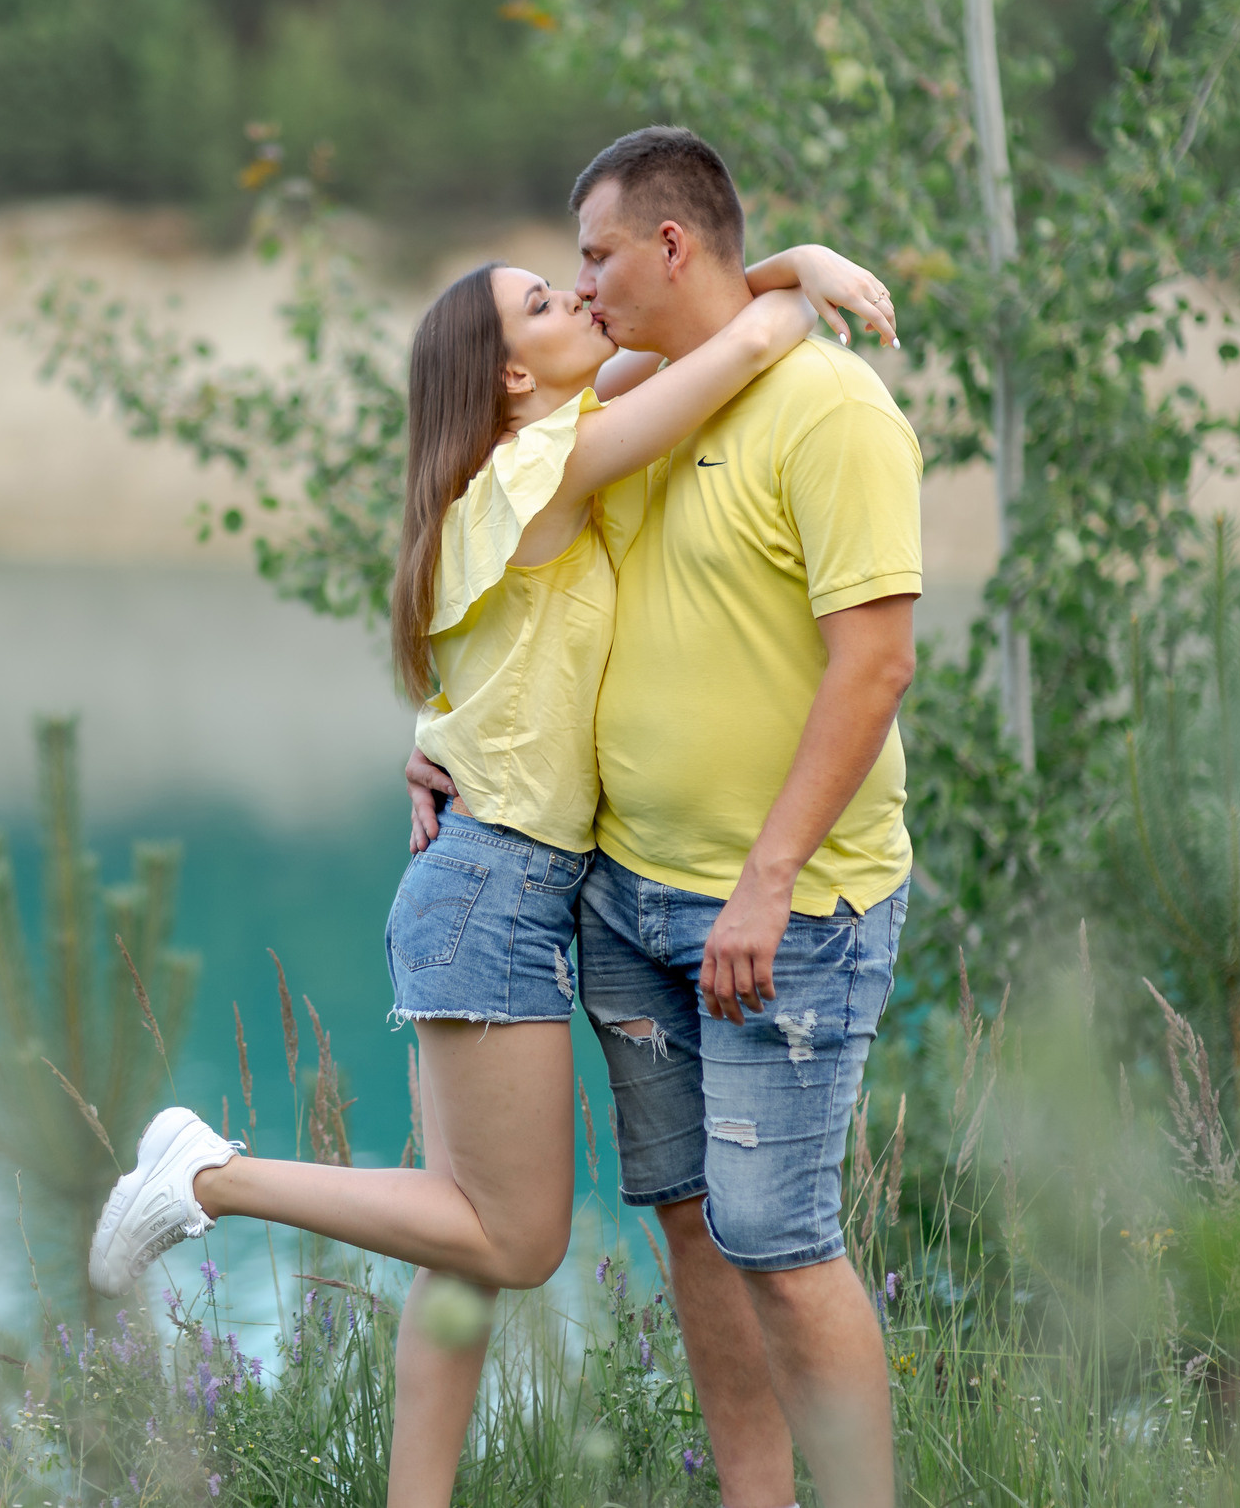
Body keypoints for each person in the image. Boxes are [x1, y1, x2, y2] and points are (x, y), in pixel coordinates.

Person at [88, 224, 898, 1508]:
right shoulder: (544, 468)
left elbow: (678, 342)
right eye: (543, 297)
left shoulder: (523, 462)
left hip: (484, 879)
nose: (578, 292)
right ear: (510, 375)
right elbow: (739, 343)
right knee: (513, 1242)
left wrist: (772, 269)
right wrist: (807, 266)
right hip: (498, 893)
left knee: (453, 1244)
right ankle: (208, 1174)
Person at [411, 126, 920, 1508]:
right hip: (625, 901)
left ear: (670, 247)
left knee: (782, 1239)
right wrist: (439, 743)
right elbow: (516, 629)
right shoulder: (615, 416)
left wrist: (767, 877)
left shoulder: (830, 413)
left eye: (593, 256)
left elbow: (877, 663)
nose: (582, 287)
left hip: (783, 914)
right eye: (561, 276)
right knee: (695, 1227)